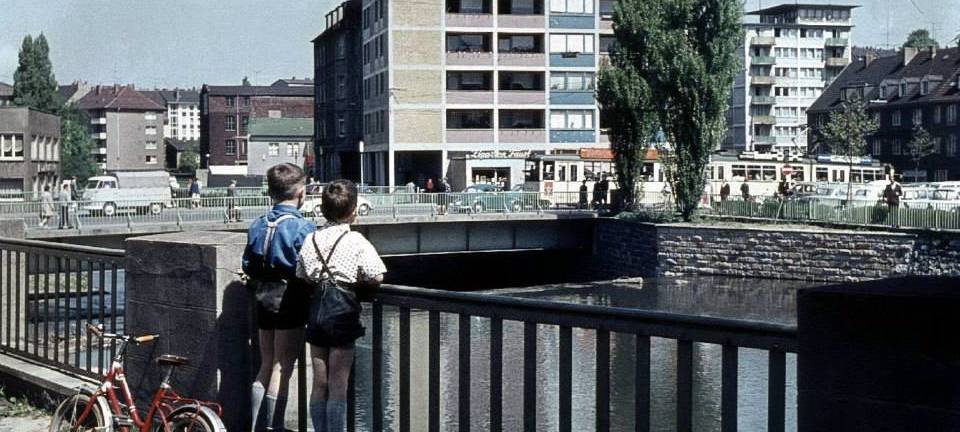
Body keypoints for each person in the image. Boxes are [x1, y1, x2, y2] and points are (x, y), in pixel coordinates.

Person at [297, 179, 386, 432]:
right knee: (339, 384)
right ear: (353, 210)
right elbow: (377, 274)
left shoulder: (311, 239)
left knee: (320, 382)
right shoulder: (356, 240)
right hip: (342, 313)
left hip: (317, 312)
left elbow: (302, 274)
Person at [242, 164, 317, 432]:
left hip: (263, 296)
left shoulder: (258, 224)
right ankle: (274, 426)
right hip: (291, 299)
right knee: (283, 366)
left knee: (266, 363)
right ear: (300, 192)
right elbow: (310, 265)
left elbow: (248, 265)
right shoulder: (302, 226)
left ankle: (255, 425)